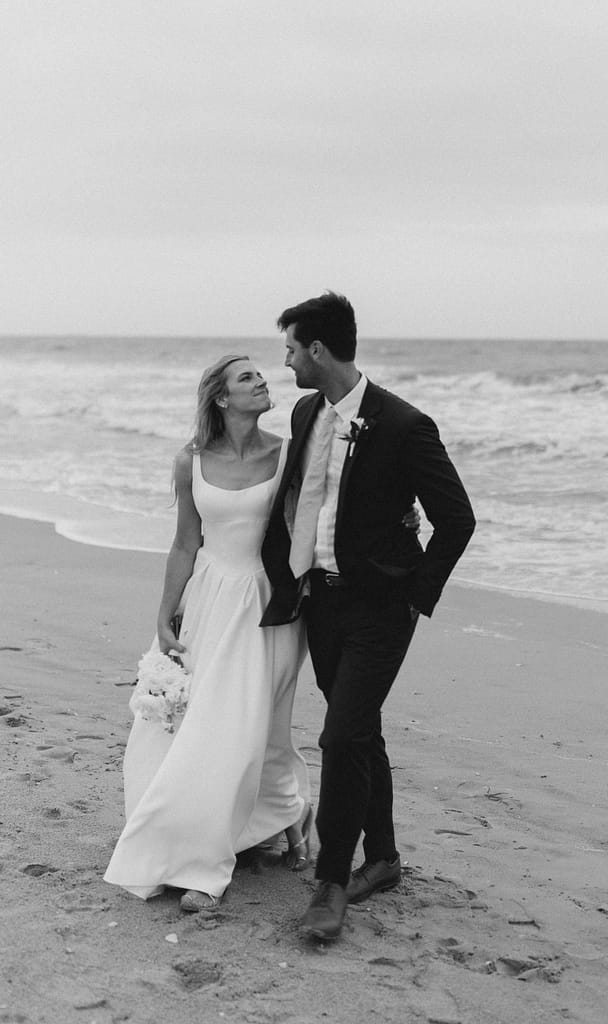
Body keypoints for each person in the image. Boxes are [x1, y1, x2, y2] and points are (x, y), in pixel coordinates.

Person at [260, 292, 476, 940]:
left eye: (292, 348)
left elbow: (456, 518)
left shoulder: (404, 425)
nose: (288, 359)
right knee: (359, 733)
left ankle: (331, 883)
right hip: (320, 603)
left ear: (317, 350)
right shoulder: (305, 412)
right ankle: (381, 858)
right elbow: (299, 498)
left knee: (338, 736)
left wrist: (415, 592)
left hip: (381, 610)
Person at [104, 354, 313, 911]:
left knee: (249, 729)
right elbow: (184, 543)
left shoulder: (289, 453)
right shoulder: (189, 462)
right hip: (206, 602)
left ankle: (209, 858)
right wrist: (163, 615)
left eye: (260, 374)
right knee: (195, 727)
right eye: (247, 377)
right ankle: (252, 822)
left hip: (267, 608)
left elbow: (314, 525)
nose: (263, 380)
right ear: (221, 398)